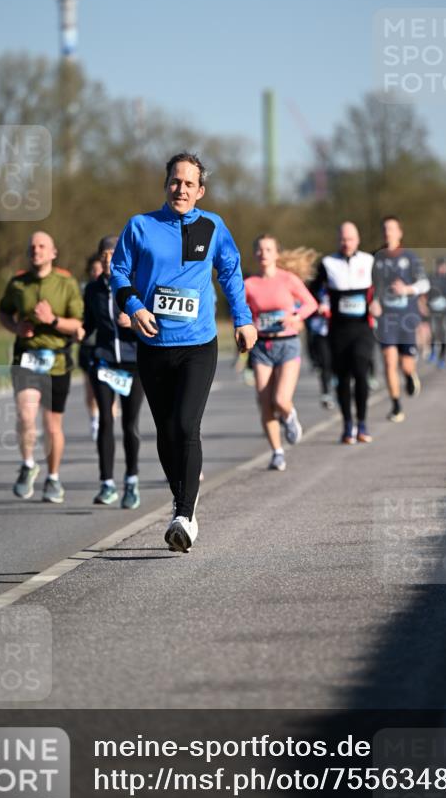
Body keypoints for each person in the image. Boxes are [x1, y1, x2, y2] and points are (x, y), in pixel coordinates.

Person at [110, 152, 256, 553]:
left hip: (197, 344)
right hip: (153, 345)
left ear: (200, 191)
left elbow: (229, 270)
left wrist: (242, 319)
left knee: (186, 425)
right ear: (166, 185)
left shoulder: (212, 226)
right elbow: (119, 272)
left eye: (189, 184)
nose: (181, 189)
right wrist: (134, 306)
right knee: (166, 431)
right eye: (175, 181)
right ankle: (182, 500)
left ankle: (184, 514)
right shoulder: (141, 226)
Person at [0, 232, 84, 503]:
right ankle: (27, 465)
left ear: (53, 252)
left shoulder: (66, 282)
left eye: (42, 246)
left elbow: (78, 325)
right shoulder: (18, 282)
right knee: (26, 415)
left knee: (52, 425)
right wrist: (15, 327)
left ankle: (54, 478)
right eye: (32, 246)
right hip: (26, 358)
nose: (36, 250)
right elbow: (4, 312)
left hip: (57, 361)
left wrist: (52, 320)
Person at [245, 236, 318, 470]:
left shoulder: (289, 279)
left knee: (280, 400)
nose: (263, 253)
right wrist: (248, 326)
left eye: (268, 249)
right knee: (264, 402)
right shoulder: (249, 284)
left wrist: (295, 317)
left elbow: (310, 304)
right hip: (262, 347)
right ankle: (277, 452)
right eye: (259, 249)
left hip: (287, 344)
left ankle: (289, 417)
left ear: (277, 254)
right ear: (255, 254)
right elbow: (243, 312)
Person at [84, 235, 145, 508]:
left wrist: (133, 323)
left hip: (134, 365)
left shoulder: (138, 283)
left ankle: (131, 481)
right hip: (105, 362)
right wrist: (70, 331)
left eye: (113, 253)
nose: (108, 259)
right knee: (106, 422)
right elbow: (87, 325)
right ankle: (106, 483)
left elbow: (155, 323)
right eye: (104, 255)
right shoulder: (93, 289)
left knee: (129, 424)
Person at [312, 222, 375, 444]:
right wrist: (320, 303)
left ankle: (363, 423)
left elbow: (381, 288)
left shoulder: (369, 261)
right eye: (342, 239)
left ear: (357, 240)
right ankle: (348, 424)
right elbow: (313, 290)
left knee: (361, 371)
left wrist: (378, 304)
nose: (345, 243)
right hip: (337, 329)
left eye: (349, 239)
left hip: (362, 328)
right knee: (343, 378)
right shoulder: (328, 263)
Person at [371, 216, 429, 423]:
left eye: (392, 229)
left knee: (406, 365)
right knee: (388, 361)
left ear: (399, 233)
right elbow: (370, 287)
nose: (388, 232)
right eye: (385, 228)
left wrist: (407, 289)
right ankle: (396, 406)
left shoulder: (410, 258)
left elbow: (425, 284)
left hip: (407, 317)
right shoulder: (376, 258)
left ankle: (409, 375)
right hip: (386, 319)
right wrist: (374, 302)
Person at [80, 253, 104, 441]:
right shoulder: (85, 290)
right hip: (88, 345)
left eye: (100, 269)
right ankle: (94, 419)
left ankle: (107, 421)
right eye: (93, 270)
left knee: (107, 389)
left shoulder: (113, 287)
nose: (97, 273)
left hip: (108, 346)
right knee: (90, 389)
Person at [427, 258, 446, 369]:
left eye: (445, 267)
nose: (443, 269)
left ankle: (442, 358)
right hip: (433, 310)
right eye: (441, 267)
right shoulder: (431, 278)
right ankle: (432, 352)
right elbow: (427, 293)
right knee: (433, 332)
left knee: (444, 334)